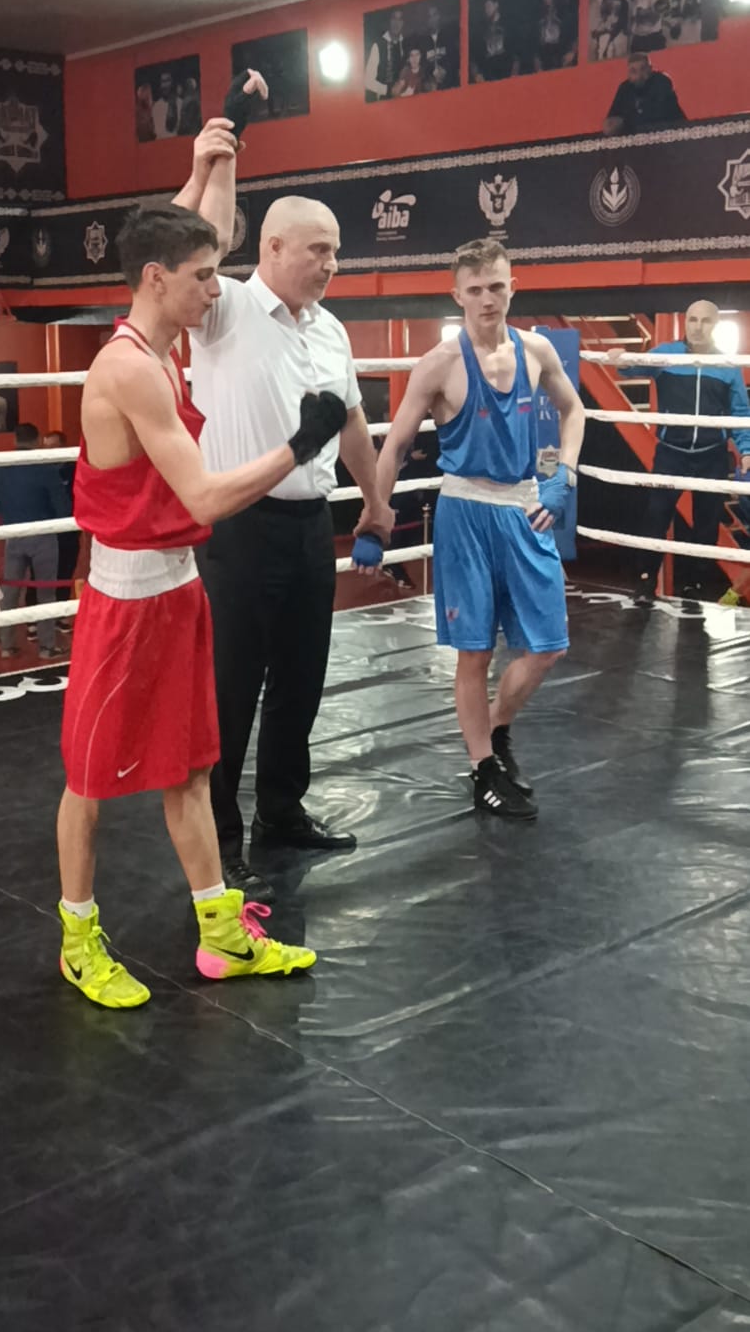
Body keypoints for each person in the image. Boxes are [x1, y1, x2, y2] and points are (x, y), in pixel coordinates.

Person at [56, 114, 347, 1008]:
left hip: (180, 591)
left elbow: (186, 236)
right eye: (202, 279)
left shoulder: (167, 335)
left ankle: (221, 937)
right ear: (156, 281)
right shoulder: (129, 368)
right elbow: (205, 499)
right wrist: (299, 446)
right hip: (126, 598)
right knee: (89, 782)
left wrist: (209, 162)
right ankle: (77, 937)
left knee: (189, 771)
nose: (214, 290)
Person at [190, 193, 395, 893]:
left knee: (301, 676)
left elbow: (352, 422)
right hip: (238, 525)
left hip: (311, 523)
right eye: (319, 250)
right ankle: (218, 841)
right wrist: (217, 160)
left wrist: (374, 501)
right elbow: (197, 242)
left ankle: (280, 809)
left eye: (336, 251)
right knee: (230, 686)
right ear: (272, 247)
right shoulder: (222, 309)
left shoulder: (331, 330)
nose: (331, 264)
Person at [375, 238, 585, 820]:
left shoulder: (537, 349)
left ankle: (495, 730)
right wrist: (375, 514)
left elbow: (573, 409)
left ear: (512, 286)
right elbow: (395, 445)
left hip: (524, 506)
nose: (487, 299)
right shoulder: (439, 363)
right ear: (457, 295)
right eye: (475, 289)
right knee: (475, 653)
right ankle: (483, 769)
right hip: (465, 510)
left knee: (548, 647)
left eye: (496, 286)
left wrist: (564, 474)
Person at [608, 302, 750, 601]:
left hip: (712, 454)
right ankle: (645, 582)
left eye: (706, 321)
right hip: (671, 453)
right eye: (693, 320)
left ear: (715, 326)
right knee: (656, 516)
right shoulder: (667, 354)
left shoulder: (727, 366)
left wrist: (746, 451)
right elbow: (634, 366)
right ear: (686, 322)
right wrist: (621, 359)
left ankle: (695, 585)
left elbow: (740, 412)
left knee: (707, 524)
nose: (698, 327)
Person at [0, 422, 71, 659]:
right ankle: (46, 647)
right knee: (46, 592)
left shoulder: (0, 467)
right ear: (37, 441)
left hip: (13, 532)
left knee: (10, 591)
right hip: (43, 533)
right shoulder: (46, 468)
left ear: (15, 439)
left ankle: (6, 645)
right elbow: (63, 507)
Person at [43, 428, 80, 634]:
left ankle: (61, 615)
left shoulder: (74, 469)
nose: (49, 451)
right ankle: (38, 619)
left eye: (53, 446)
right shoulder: (40, 470)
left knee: (66, 569)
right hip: (45, 529)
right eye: (46, 447)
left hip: (68, 529)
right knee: (42, 572)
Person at [602, 52, 686, 135]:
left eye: (643, 69)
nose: (639, 75)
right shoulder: (624, 88)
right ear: (628, 74)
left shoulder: (662, 81)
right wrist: (610, 125)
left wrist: (624, 121)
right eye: (633, 71)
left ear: (650, 69)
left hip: (672, 134)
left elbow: (659, 114)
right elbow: (611, 120)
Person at [470, 0, 520, 83]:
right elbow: (475, 59)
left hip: (506, 76)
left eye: (489, 6)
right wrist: (479, 80)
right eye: (485, 7)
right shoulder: (481, 29)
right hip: (489, 79)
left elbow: (516, 55)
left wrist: (513, 77)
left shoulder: (508, 24)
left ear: (496, 5)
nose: (487, 10)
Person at [365, 8, 406, 101]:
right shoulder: (378, 45)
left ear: (403, 23)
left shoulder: (405, 44)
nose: (396, 23)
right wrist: (388, 90)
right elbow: (367, 81)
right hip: (383, 101)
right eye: (394, 18)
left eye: (400, 19)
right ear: (389, 21)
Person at [422, 3, 459, 90]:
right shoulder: (423, 42)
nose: (432, 19)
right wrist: (430, 78)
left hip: (450, 86)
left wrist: (445, 69)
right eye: (429, 16)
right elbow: (422, 65)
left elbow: (455, 58)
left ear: (439, 16)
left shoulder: (448, 37)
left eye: (435, 15)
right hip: (431, 89)